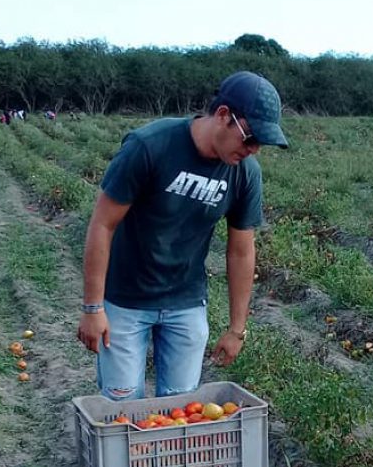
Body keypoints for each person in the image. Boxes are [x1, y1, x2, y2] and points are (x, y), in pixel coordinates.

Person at [77, 71, 288, 399]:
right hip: (126, 300)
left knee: (180, 406)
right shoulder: (150, 146)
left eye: (261, 143)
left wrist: (237, 329)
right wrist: (93, 307)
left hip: (186, 303)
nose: (254, 149)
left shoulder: (245, 174)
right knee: (121, 405)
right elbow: (102, 224)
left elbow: (241, 251)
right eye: (250, 138)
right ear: (222, 116)